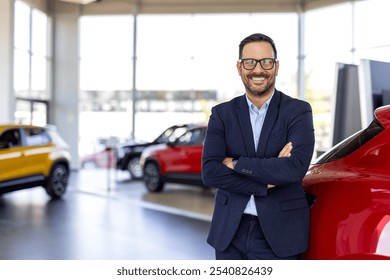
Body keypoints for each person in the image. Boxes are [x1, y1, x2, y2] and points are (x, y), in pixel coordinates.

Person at [201, 33, 315, 260]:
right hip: (229, 233)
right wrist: (265, 183)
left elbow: (294, 168)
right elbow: (211, 173)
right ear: (239, 67)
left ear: (276, 66)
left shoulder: (298, 111)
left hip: (280, 234)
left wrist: (234, 163)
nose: (258, 70)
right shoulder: (222, 114)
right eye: (250, 62)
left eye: (266, 62)